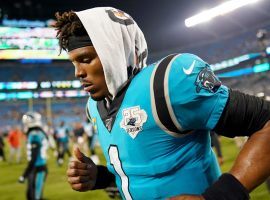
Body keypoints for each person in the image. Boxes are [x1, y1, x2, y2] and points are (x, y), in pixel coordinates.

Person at [54, 7, 270, 200]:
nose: (78, 73)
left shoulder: (167, 83)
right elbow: (142, 171)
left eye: (86, 59)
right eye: (74, 63)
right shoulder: (94, 106)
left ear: (114, 52)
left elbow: (266, 123)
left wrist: (219, 195)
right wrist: (101, 177)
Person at [19, 112, 49, 200]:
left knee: (34, 196)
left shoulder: (34, 135)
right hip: (39, 166)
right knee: (33, 195)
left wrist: (24, 175)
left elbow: (34, 157)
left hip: (37, 167)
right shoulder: (39, 132)